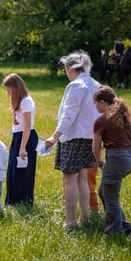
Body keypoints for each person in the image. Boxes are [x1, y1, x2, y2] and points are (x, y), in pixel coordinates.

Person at [43, 51, 100, 230]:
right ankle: (84, 218)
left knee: (69, 180)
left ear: (69, 67)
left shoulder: (76, 86)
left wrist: (54, 136)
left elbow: (69, 115)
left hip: (74, 137)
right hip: (90, 138)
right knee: (83, 179)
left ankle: (70, 221)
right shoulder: (95, 84)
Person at [92, 86, 131, 235]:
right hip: (129, 157)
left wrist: (99, 161)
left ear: (102, 102)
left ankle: (114, 232)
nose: (95, 106)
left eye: (95, 103)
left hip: (116, 159)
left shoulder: (101, 120)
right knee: (104, 191)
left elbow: (96, 148)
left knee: (111, 197)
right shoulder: (124, 115)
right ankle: (125, 226)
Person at [1, 73, 39, 206]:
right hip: (18, 137)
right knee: (12, 170)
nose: (8, 93)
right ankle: (11, 201)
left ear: (16, 87)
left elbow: (27, 126)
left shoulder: (26, 101)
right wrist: (13, 142)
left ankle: (22, 201)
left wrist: (22, 147)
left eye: (9, 90)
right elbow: (16, 125)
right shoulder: (19, 101)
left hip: (26, 138)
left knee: (22, 171)